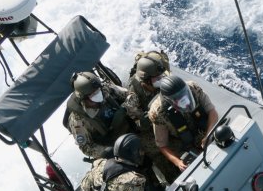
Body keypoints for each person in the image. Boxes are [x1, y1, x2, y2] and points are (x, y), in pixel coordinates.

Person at [124, 51, 179, 183]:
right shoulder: (133, 95)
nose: (161, 79)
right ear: (146, 81)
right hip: (149, 126)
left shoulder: (159, 76)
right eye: (156, 78)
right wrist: (148, 118)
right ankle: (172, 177)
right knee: (154, 149)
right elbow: (136, 121)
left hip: (167, 109)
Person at [148, 74, 219, 175]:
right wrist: (178, 162)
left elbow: (212, 112)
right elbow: (162, 145)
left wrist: (208, 135)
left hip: (205, 130)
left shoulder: (193, 88)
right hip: (183, 141)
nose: (184, 99)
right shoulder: (157, 112)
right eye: (178, 98)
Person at [66, 71, 135, 161]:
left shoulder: (105, 89)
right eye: (93, 95)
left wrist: (125, 109)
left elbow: (131, 96)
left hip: (130, 131)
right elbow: (86, 147)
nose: (99, 95)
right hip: (114, 149)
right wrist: (107, 151)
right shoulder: (77, 119)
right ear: (83, 98)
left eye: (98, 91)